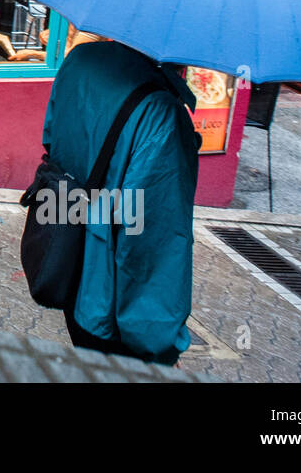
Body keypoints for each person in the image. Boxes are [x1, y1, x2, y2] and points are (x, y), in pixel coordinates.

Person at [40, 38, 201, 366]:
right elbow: (151, 240)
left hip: (67, 263)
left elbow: (52, 142)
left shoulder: (82, 61)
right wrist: (161, 344)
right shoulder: (163, 113)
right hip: (112, 305)